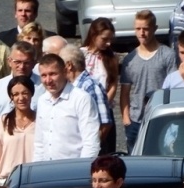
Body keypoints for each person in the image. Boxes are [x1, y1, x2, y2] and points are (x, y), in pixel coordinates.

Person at [120, 10, 177, 152]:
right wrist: (126, 118)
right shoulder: (130, 59)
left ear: (154, 29)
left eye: (145, 29)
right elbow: (125, 92)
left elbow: (175, 86)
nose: (142, 33)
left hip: (161, 117)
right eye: (138, 29)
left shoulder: (168, 55)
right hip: (136, 120)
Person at [34, 54, 100, 161]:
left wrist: (83, 169)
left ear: (65, 72)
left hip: (72, 168)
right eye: (44, 75)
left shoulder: (81, 99)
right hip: (46, 169)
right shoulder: (42, 101)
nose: (48, 80)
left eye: (53, 74)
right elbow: (39, 143)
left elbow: (91, 142)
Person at [59, 44, 116, 154]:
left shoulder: (90, 86)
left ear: (69, 65)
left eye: (60, 65)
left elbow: (105, 124)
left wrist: (89, 150)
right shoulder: (72, 86)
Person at [0, 76, 36, 184]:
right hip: (6, 181)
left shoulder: (41, 121)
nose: (21, 98)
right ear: (11, 98)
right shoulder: (1, 122)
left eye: (25, 93)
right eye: (16, 94)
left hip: (34, 179)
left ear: (31, 94)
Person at [0, 41, 41, 126]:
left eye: (26, 63)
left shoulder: (43, 87)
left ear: (34, 63)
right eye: (17, 62)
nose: (22, 67)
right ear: (9, 61)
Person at [80, 18, 119, 104]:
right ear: (94, 36)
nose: (108, 43)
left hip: (103, 104)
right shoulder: (81, 54)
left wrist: (104, 103)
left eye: (110, 39)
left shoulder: (112, 57)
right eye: (104, 39)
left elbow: (113, 83)